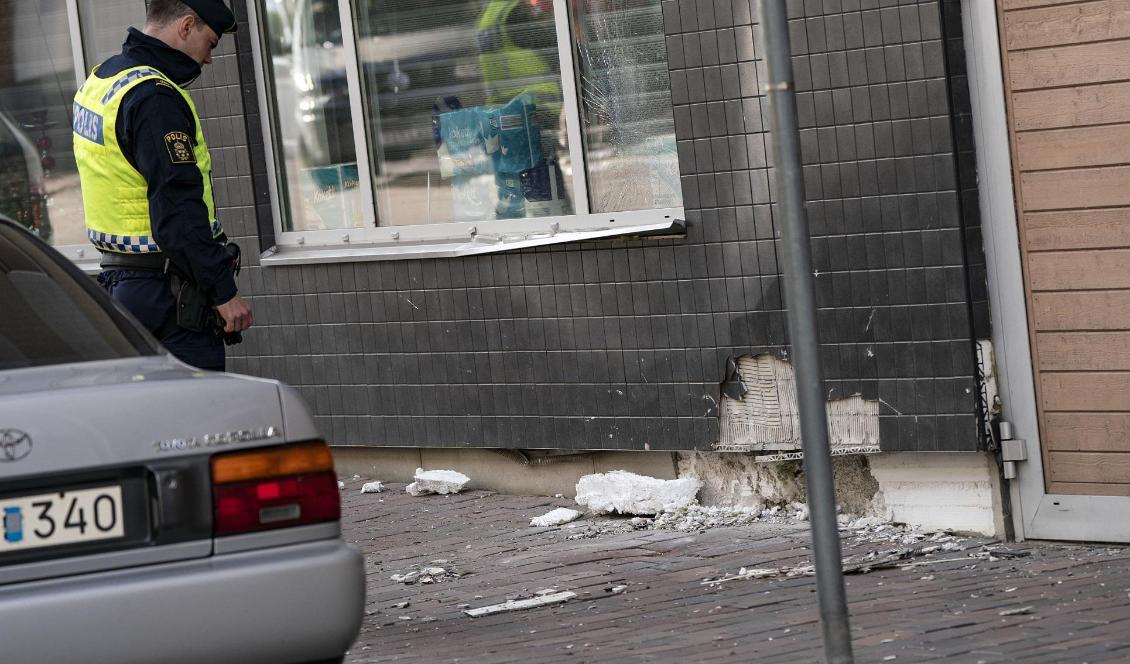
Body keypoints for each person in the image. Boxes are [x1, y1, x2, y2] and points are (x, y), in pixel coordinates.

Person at [72, 0, 251, 371]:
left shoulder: (100, 82)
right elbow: (177, 209)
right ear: (186, 26)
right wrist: (223, 291)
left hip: (122, 287)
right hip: (168, 296)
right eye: (211, 43)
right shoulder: (154, 97)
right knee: (200, 421)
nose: (208, 59)